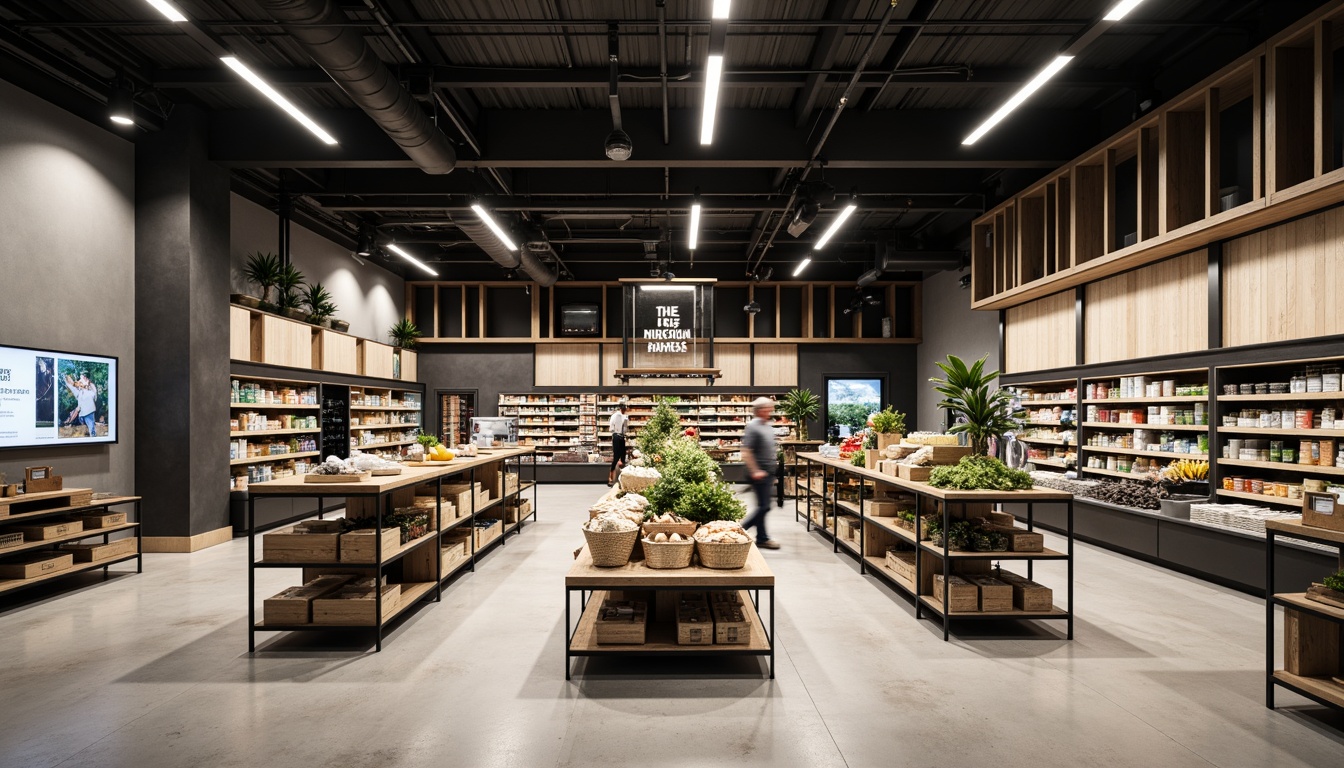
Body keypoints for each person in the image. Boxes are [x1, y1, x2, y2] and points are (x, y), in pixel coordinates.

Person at [740, 396, 781, 550]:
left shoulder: (767, 425)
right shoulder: (753, 426)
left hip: (768, 472)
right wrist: (755, 470)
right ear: (760, 410)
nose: (771, 410)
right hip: (759, 473)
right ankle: (741, 528)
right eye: (768, 408)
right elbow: (746, 450)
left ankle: (762, 538)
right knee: (765, 507)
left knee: (763, 505)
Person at [63, 371, 99, 438]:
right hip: (81, 416)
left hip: (88, 414)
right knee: (74, 415)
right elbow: (72, 387)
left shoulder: (91, 392)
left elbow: (93, 391)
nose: (79, 381)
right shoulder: (79, 393)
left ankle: (93, 437)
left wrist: (85, 385)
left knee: (91, 427)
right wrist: (67, 380)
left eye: (81, 378)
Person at [607, 401, 630, 486]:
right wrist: (614, 433)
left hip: (622, 436)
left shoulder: (625, 416)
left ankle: (621, 478)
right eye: (624, 409)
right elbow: (611, 426)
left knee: (623, 455)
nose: (625, 410)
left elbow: (626, 427)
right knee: (616, 456)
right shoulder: (615, 416)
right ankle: (610, 477)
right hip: (616, 436)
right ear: (621, 408)